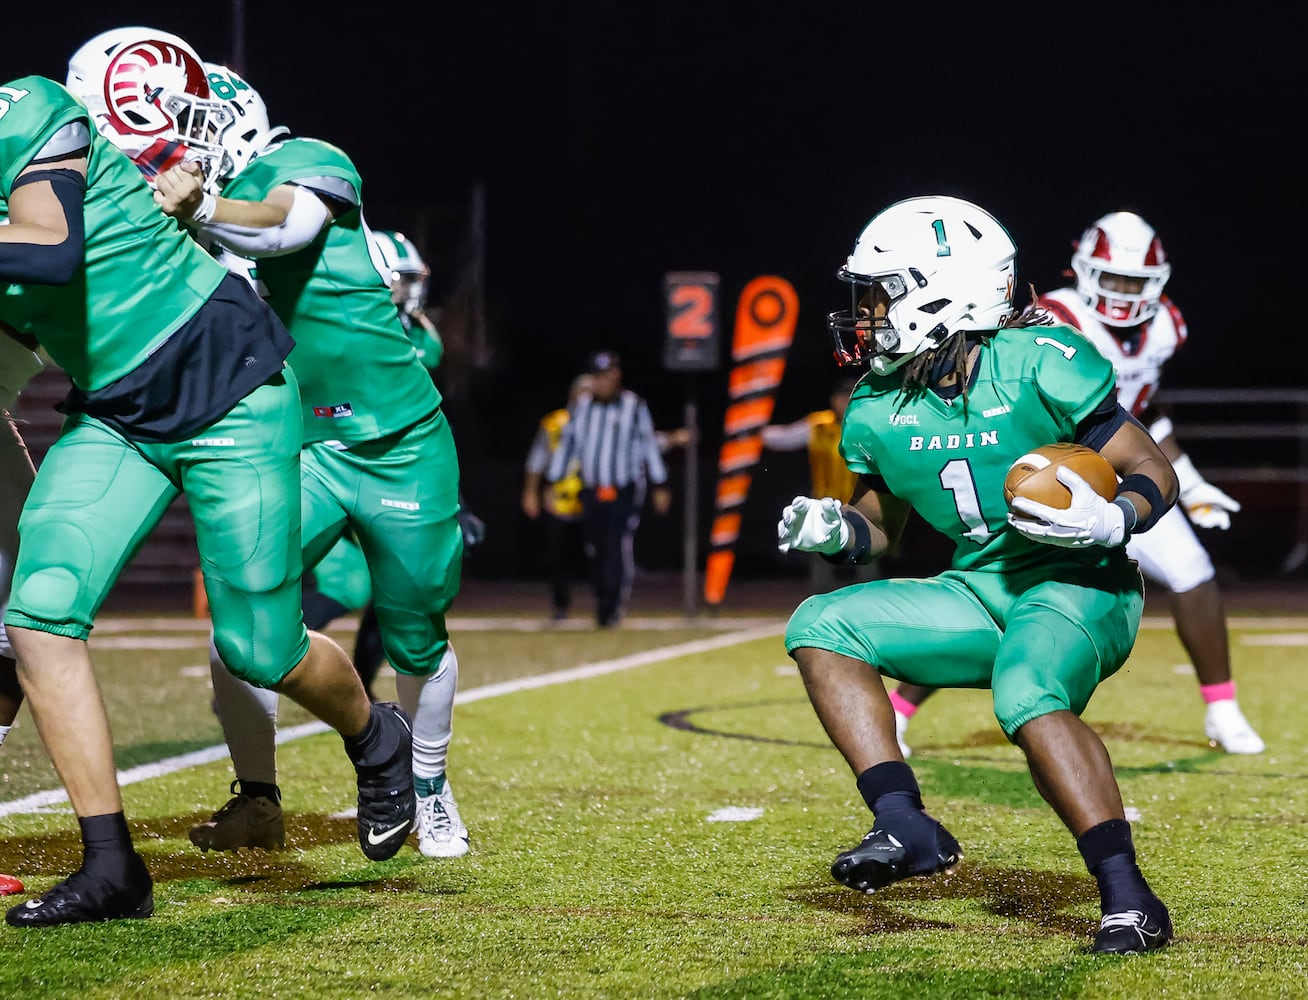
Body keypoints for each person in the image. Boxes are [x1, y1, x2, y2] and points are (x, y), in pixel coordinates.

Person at [0, 70, 413, 928]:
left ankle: (376, 737)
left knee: (259, 649)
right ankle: (112, 864)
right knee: (38, 614)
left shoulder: (25, 108)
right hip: (119, 411)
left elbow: (48, 247)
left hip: (226, 383)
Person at [780, 195, 1179, 955]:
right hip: (979, 588)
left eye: (881, 291)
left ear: (943, 291)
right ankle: (905, 825)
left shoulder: (1038, 363)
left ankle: (1130, 899)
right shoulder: (874, 404)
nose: (865, 313)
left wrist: (1114, 518)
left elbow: (1150, 467)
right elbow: (879, 526)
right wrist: (838, 527)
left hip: (1080, 584)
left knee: (1026, 689)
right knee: (820, 624)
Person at [108, 53, 470, 860]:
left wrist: (203, 203)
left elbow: (284, 225)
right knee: (242, 622)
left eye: (189, 126)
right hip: (300, 446)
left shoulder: (305, 161)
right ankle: (258, 798)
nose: (180, 147)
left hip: (400, 443)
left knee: (416, 637)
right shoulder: (190, 220)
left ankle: (431, 785)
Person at [890, 211, 1264, 757]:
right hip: (1057, 470)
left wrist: (1194, 481)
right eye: (1114, 280)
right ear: (1085, 270)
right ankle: (900, 712)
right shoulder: (1052, 318)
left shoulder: (1166, 327)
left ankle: (1223, 709)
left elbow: (1141, 413)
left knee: (1194, 573)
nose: (1124, 294)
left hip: (1124, 474)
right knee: (1002, 591)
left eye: (1136, 283)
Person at [546, 351, 671, 627]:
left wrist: (660, 482)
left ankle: (610, 607)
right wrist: (554, 481)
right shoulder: (582, 407)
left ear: (616, 376)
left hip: (623, 488)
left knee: (616, 547)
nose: (602, 383)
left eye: (606, 376)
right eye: (597, 377)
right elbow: (569, 446)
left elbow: (648, 446)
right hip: (591, 488)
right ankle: (603, 598)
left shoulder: (634, 406)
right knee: (595, 548)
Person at [763, 374, 878, 592]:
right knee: (823, 559)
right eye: (840, 398)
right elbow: (784, 437)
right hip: (825, 504)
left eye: (848, 398)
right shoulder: (818, 425)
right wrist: (751, 432)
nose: (843, 403)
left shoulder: (866, 425)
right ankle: (822, 602)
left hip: (861, 504)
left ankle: (868, 604)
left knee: (866, 558)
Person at [523, 374, 593, 620]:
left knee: (596, 554)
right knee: (557, 556)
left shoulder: (602, 421)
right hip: (560, 499)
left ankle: (603, 604)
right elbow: (537, 459)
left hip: (592, 498)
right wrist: (531, 492)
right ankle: (560, 606)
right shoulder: (555, 422)